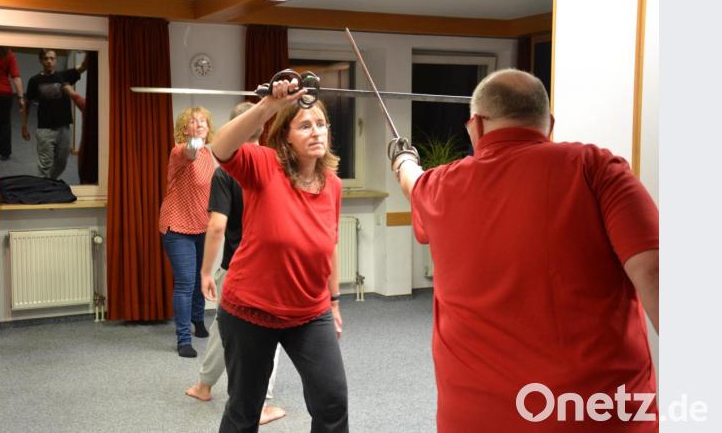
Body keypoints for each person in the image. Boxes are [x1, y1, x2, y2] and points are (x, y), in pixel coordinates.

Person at [392, 68, 659, 431]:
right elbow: (654, 272)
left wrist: (403, 159)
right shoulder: (596, 168)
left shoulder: (439, 186)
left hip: (477, 418)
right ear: (548, 123)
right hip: (591, 413)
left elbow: (413, 182)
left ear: (476, 126)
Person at [209, 79, 347, 432]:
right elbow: (220, 147)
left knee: (332, 401)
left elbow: (328, 246)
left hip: (309, 311)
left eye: (321, 124)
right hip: (250, 311)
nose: (317, 132)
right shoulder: (264, 166)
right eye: (304, 125)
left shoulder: (332, 184)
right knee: (245, 409)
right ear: (285, 135)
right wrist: (268, 105)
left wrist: (332, 302)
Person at [186, 102, 286, 426]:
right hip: (264, 269)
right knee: (259, 334)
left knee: (224, 328)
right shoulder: (277, 165)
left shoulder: (225, 172)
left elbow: (216, 226)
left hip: (235, 267)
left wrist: (206, 271)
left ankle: (206, 385)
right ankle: (261, 402)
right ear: (262, 127)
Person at [159, 107, 215, 358]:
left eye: (203, 120)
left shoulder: (209, 154)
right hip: (177, 226)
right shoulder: (181, 151)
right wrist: (196, 138)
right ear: (184, 129)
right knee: (185, 283)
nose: (200, 123)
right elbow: (191, 150)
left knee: (200, 279)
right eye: (194, 121)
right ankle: (183, 339)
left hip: (202, 225)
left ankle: (198, 321)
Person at [21, 49, 87, 179]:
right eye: (46, 58)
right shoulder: (34, 80)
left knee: (62, 163)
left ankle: (49, 183)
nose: (49, 61)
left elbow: (83, 66)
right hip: (45, 129)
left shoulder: (64, 76)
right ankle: (44, 190)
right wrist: (24, 126)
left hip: (64, 128)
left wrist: (89, 52)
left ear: (56, 60)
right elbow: (27, 105)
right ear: (41, 61)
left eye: (52, 58)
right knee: (45, 165)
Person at [0, 46, 25, 161]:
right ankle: (5, 153)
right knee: (5, 123)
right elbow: (16, 77)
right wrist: (20, 97)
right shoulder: (9, 54)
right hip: (5, 93)